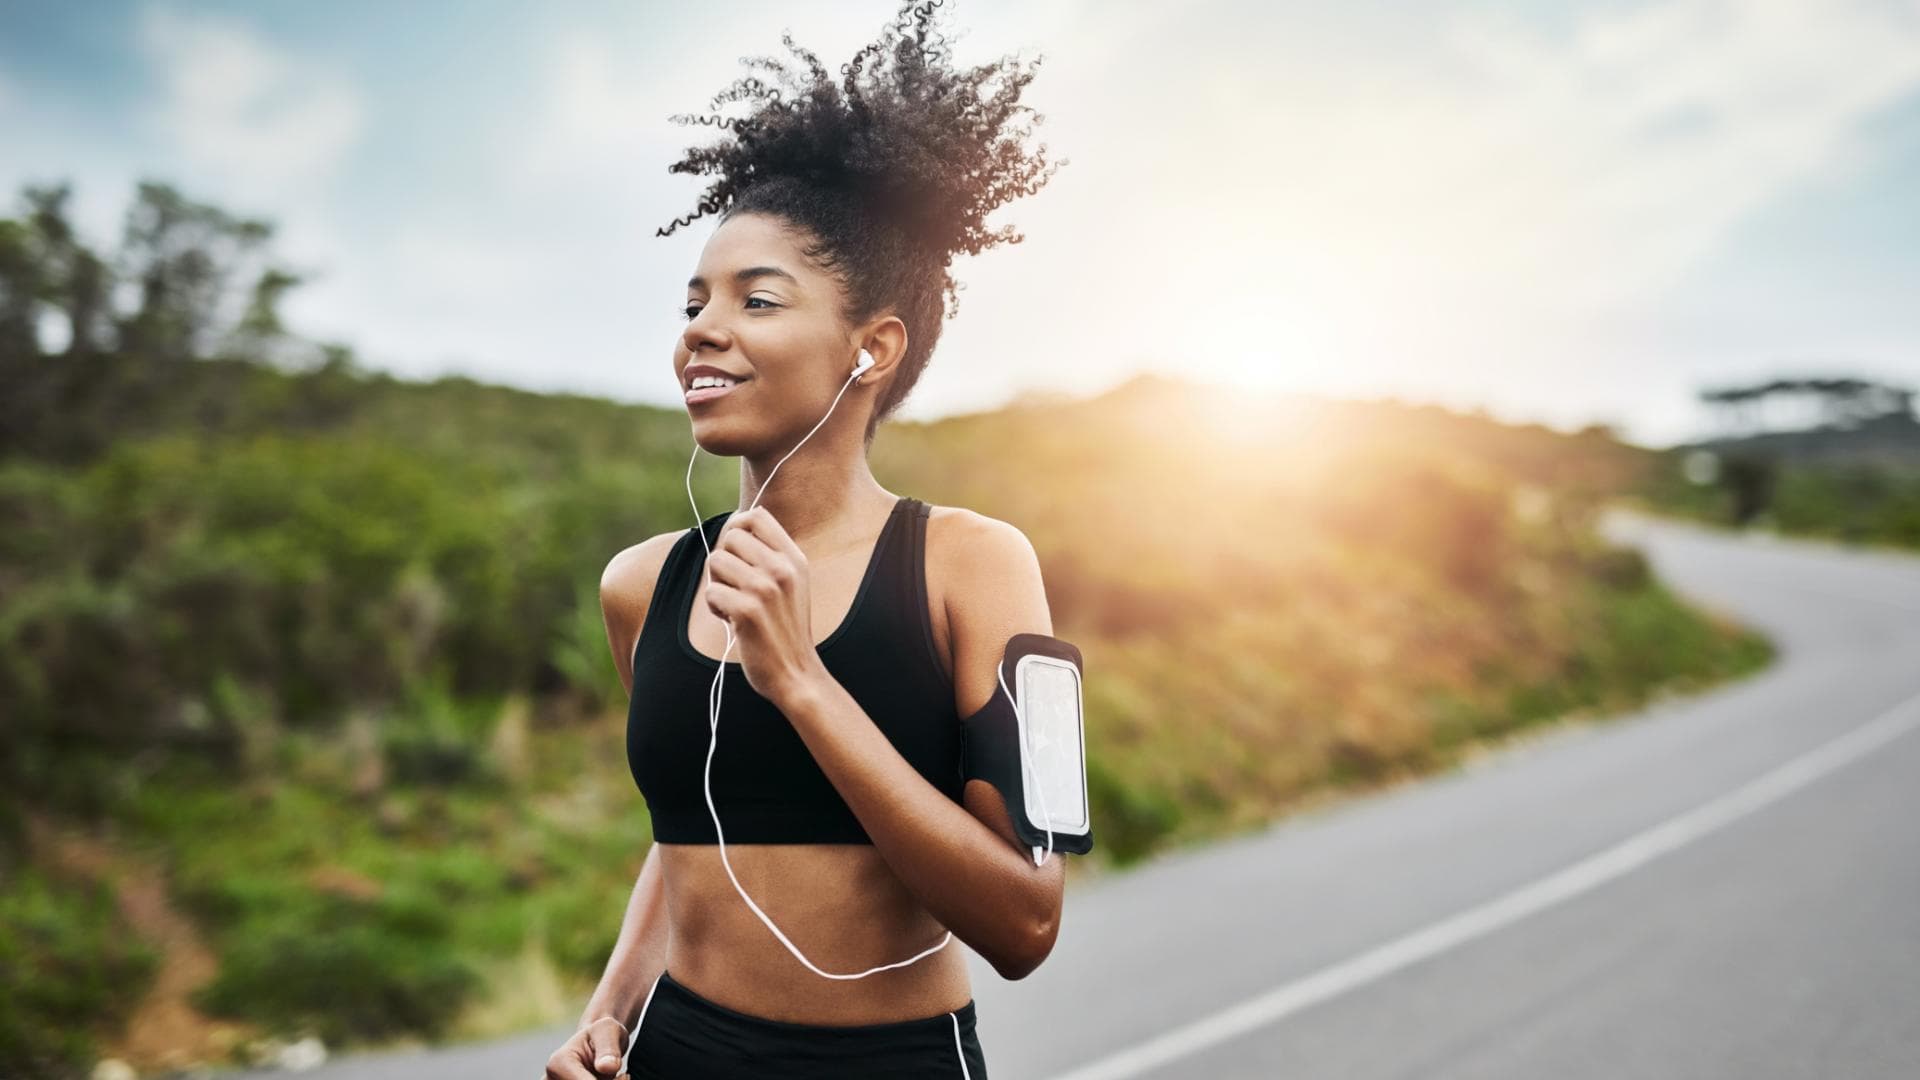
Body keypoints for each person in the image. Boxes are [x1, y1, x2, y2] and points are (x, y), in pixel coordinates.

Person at [542, 2, 1070, 1076]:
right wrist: (608, 1009)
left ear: (871, 347)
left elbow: (1027, 923)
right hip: (677, 1051)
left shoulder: (975, 564)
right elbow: (690, 837)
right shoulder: (642, 586)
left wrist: (803, 682)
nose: (701, 325)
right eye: (694, 300)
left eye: (757, 298)